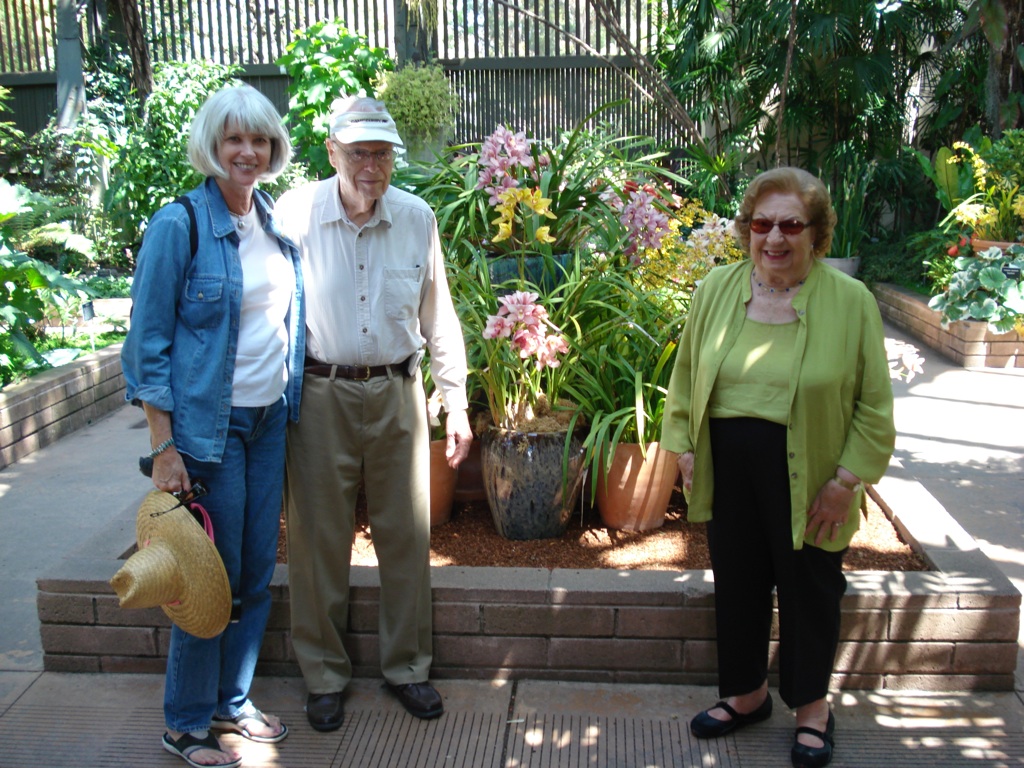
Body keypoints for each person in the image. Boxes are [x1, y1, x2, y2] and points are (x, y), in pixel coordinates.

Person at [661, 167, 895, 768]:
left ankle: (813, 711)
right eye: (762, 224)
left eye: (792, 225)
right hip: (728, 466)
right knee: (737, 582)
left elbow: (873, 403)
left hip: (813, 469)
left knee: (810, 589)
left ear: (817, 234)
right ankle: (747, 695)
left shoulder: (852, 302)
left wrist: (847, 482)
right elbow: (687, 373)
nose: (775, 239)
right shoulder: (717, 287)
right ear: (746, 229)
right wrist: (684, 446)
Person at [275, 96, 472, 731]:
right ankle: (324, 675)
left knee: (407, 537)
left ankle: (408, 667)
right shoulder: (294, 213)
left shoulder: (416, 218)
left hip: (397, 393)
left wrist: (458, 403)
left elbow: (439, 317)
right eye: (358, 151)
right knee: (317, 542)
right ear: (332, 152)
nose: (371, 165)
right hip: (318, 394)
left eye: (382, 153)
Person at [121, 84, 304, 768]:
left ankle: (233, 702)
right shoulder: (180, 224)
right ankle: (186, 722)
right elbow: (146, 347)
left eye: (258, 140)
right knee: (209, 576)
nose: (247, 152)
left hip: (270, 422)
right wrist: (163, 445)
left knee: (256, 571)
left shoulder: (272, 221)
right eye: (234, 140)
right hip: (210, 432)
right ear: (212, 146)